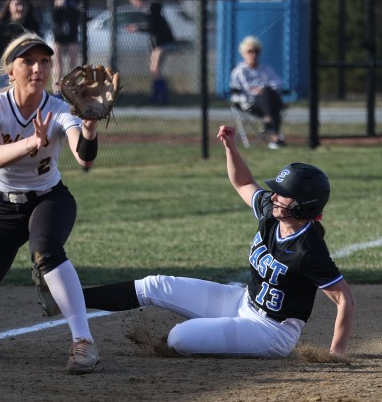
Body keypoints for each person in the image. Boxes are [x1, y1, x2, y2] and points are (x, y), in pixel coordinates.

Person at [79, 125, 356, 358]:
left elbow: (344, 299)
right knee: (155, 285)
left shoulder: (308, 250)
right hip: (243, 301)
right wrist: (231, 148)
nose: (273, 196)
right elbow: (244, 182)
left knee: (178, 337)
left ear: (303, 205)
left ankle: (213, 334)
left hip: (271, 332)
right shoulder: (271, 215)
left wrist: (336, 354)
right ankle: (71, 298)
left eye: (283, 194)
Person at [0, 32, 102, 375]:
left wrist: (89, 126)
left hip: (49, 199)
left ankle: (83, 342)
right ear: (11, 70)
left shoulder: (57, 108)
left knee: (46, 250)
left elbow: (84, 160)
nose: (38, 68)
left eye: (44, 61)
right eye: (28, 61)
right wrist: (32, 142)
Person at [230, 35, 286, 149]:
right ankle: (275, 136)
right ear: (243, 53)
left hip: (268, 101)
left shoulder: (266, 69)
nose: (253, 54)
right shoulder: (239, 72)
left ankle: (268, 121)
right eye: (250, 51)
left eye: (256, 51)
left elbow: (278, 84)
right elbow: (235, 93)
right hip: (250, 104)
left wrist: (262, 89)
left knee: (267, 92)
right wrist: (254, 92)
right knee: (269, 97)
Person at [0, 0, 40, 93]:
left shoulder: (33, 26)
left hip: (27, 70)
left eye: (23, 5)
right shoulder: (0, 27)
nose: (20, 8)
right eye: (17, 4)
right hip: (4, 71)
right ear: (9, 6)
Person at [128, 0, 176, 104]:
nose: (134, 4)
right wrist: (137, 27)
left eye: (134, 2)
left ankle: (161, 97)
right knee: (154, 69)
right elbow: (151, 26)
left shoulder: (152, 8)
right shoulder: (148, 10)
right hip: (158, 43)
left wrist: (137, 28)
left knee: (156, 68)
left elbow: (152, 26)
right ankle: (157, 95)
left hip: (164, 42)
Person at [51, 0, 80, 91]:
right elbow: (54, 17)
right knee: (58, 67)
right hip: (59, 36)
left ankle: (73, 89)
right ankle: (56, 90)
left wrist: (72, 7)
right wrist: (57, 6)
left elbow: (78, 14)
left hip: (72, 36)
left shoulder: (74, 2)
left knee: (73, 65)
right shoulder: (56, 2)